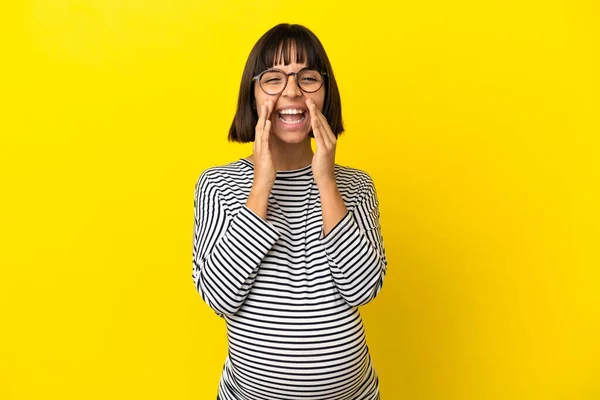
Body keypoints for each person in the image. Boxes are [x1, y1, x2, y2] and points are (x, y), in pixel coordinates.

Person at [192, 23, 388, 400]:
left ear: (325, 92)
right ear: (252, 96)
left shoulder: (355, 186)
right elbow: (219, 296)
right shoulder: (218, 186)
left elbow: (363, 289)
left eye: (307, 77)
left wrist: (326, 181)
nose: (293, 91)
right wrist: (262, 183)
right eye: (273, 79)